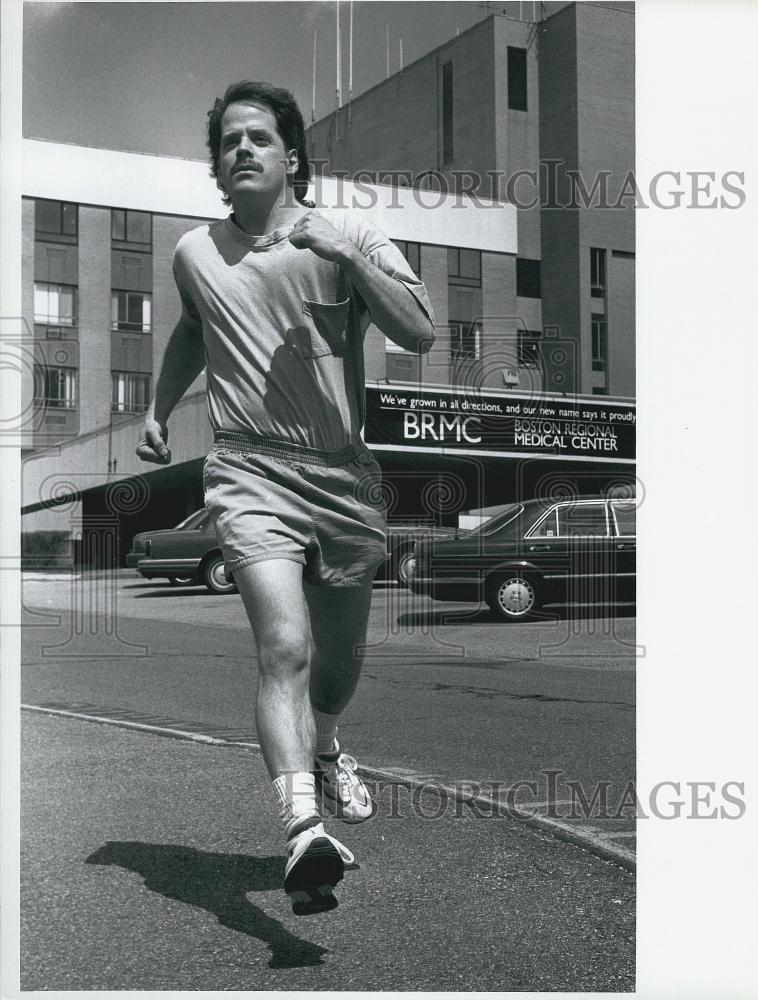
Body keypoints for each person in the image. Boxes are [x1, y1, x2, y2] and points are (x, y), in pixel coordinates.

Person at [136, 81, 435, 913]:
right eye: (228, 141)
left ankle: (329, 741)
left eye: (258, 138)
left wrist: (345, 255)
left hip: (341, 476)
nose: (241, 150)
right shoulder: (196, 252)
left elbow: (417, 329)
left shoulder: (347, 234)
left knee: (334, 671)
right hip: (246, 470)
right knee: (284, 648)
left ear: (292, 156)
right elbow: (193, 330)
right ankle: (302, 827)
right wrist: (158, 411)